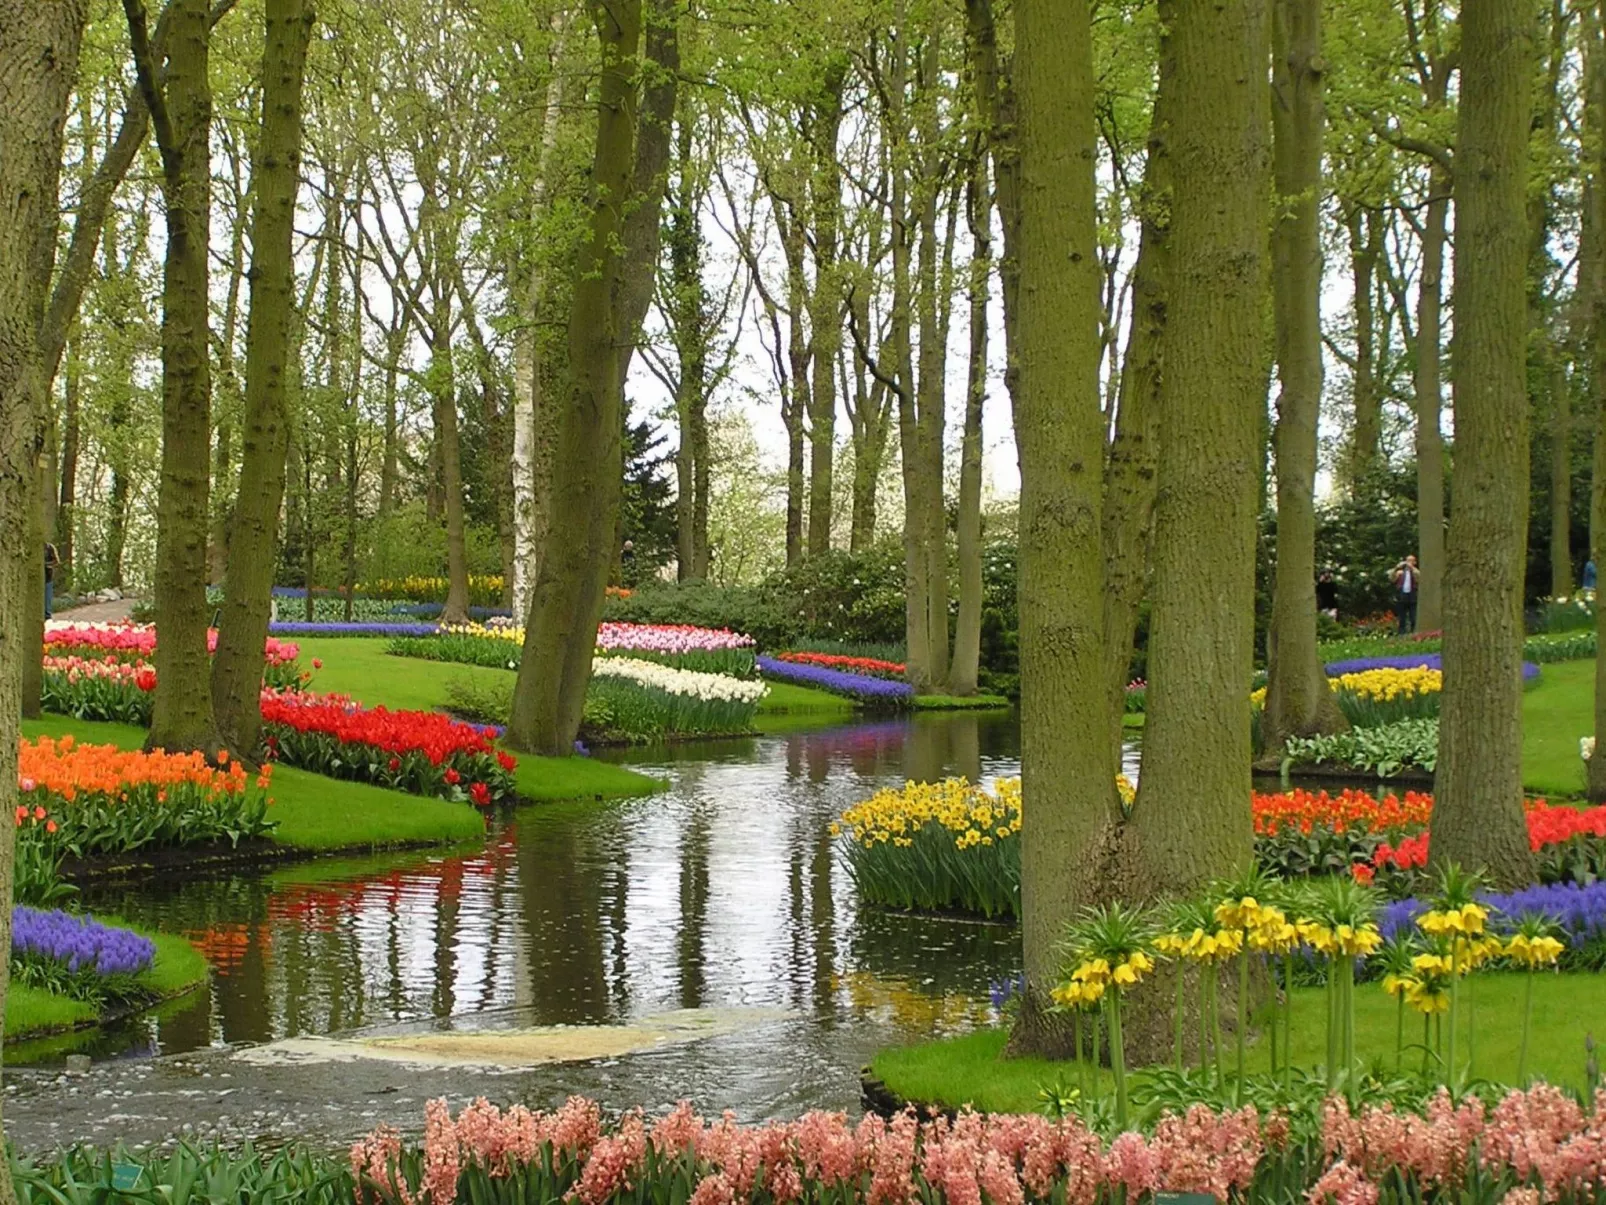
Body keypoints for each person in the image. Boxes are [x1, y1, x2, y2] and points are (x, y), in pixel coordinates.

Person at [1392, 554, 1419, 634]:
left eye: (1411, 561)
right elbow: (1392, 579)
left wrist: (1412, 568)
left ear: (1414, 562)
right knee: (1402, 617)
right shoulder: (1401, 572)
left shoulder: (1415, 571)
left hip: (1412, 596)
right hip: (1402, 595)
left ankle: (1413, 632)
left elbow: (1419, 578)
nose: (1409, 562)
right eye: (1407, 560)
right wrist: (1396, 569)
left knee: (1413, 617)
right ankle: (1401, 633)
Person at [43, 541, 59, 619]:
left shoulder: (49, 547)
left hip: (48, 578)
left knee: (47, 601)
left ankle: (47, 617)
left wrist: (46, 565)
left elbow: (56, 561)